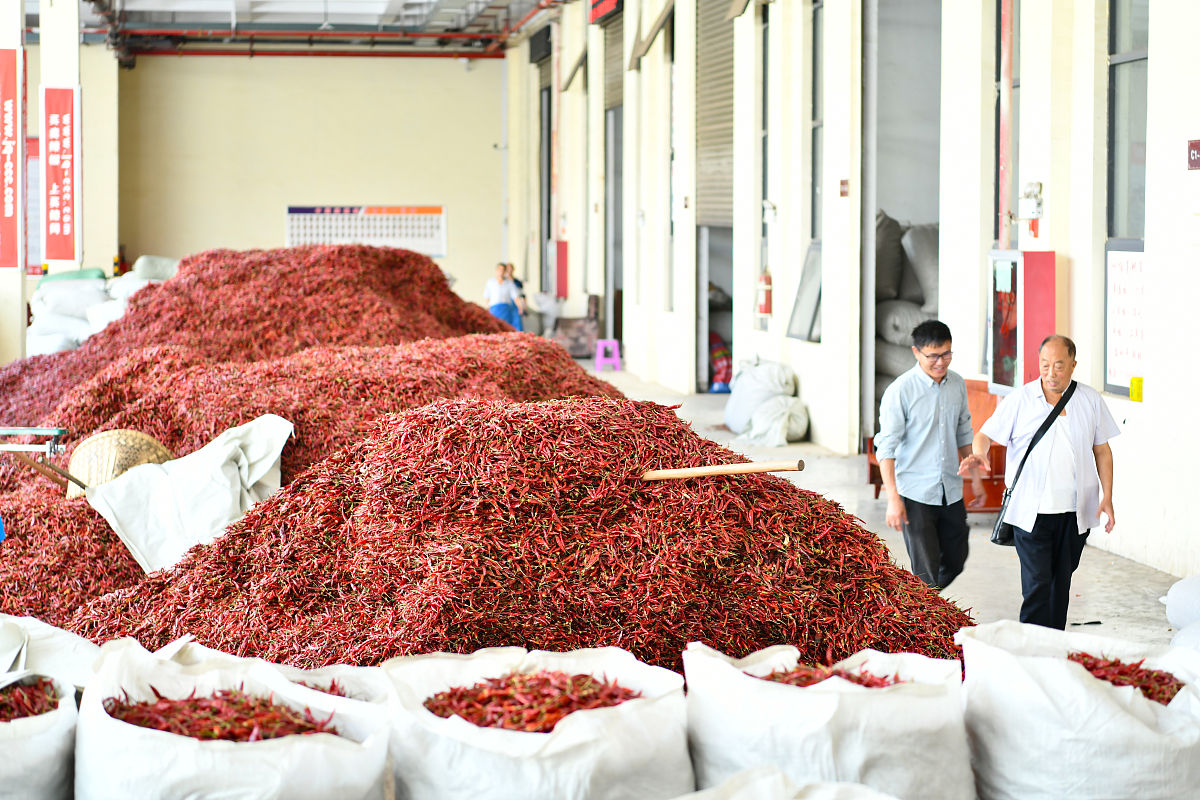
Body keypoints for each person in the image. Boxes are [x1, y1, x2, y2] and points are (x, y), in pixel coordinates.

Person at [959, 335, 1118, 629]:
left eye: (1059, 366)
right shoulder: (1021, 399)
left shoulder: (1089, 399)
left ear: (1073, 365)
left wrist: (1107, 496)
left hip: (1075, 514)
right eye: (1045, 364)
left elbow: (1102, 450)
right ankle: (1030, 648)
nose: (1050, 372)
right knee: (1037, 586)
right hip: (1031, 514)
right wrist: (979, 454)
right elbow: (984, 434)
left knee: (1061, 586)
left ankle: (1053, 646)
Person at [874, 320, 984, 590]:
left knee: (957, 560)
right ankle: (928, 619)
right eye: (932, 356)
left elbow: (963, 432)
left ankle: (920, 606)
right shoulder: (900, 391)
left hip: (950, 488)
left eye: (946, 354)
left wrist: (976, 479)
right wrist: (893, 499)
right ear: (916, 352)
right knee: (926, 573)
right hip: (915, 492)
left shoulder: (956, 383)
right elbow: (886, 449)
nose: (940, 362)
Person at [483, 262, 523, 331]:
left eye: (503, 270)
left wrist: (520, 307)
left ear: (505, 271)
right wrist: (488, 307)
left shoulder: (509, 283)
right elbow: (487, 296)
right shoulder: (490, 282)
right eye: (499, 270)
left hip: (506, 309)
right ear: (496, 270)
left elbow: (515, 297)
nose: (501, 272)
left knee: (505, 329)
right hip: (494, 309)